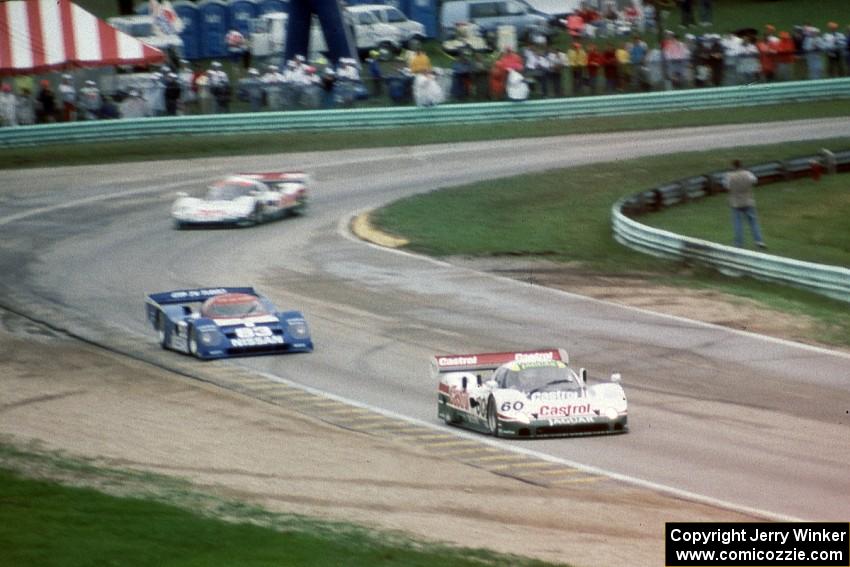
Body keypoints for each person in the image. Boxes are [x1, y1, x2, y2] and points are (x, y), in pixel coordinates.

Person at [723, 159, 766, 249]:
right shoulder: (748, 174)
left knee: (737, 224)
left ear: (733, 166)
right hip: (748, 201)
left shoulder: (729, 176)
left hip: (735, 202)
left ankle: (738, 243)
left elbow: (726, 186)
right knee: (753, 222)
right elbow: (755, 181)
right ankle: (759, 241)